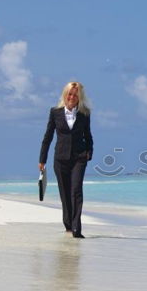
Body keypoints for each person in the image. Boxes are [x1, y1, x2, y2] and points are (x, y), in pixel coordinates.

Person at [39, 80, 93, 238]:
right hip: (60, 159)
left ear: (79, 97)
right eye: (70, 94)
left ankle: (77, 229)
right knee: (65, 192)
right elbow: (48, 137)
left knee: (76, 191)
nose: (72, 97)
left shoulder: (85, 113)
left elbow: (88, 135)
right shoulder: (55, 112)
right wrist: (42, 160)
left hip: (79, 158)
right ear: (65, 94)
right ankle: (68, 224)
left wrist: (89, 152)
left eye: (75, 95)